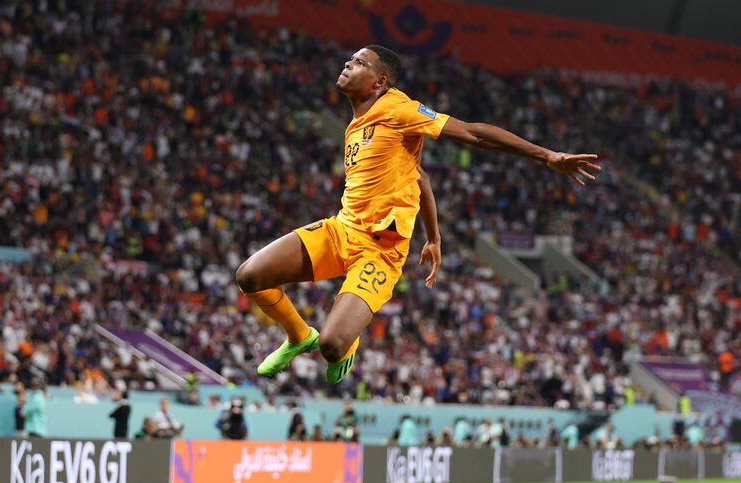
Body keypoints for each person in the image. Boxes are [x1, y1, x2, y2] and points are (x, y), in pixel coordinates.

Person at [236, 44, 600, 383]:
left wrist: (546, 155)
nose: (348, 64)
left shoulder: (399, 108)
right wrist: (434, 237)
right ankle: (299, 336)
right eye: (349, 59)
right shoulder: (357, 125)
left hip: (380, 252)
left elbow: (473, 134)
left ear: (379, 82)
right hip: (341, 229)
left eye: (359, 62)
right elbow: (419, 176)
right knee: (251, 276)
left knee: (332, 347)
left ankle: (343, 344)